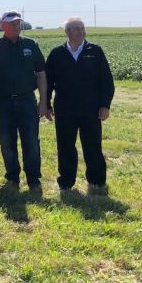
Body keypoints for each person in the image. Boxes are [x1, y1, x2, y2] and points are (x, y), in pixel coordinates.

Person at [45, 17, 115, 193]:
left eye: (82, 28)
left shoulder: (95, 51)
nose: (80, 32)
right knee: (65, 147)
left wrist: (105, 105)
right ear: (67, 32)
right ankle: (66, 182)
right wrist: (46, 104)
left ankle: (97, 181)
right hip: (64, 109)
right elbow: (48, 82)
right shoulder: (57, 53)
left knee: (93, 146)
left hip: (91, 109)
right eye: (76, 28)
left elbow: (106, 80)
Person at [0, 10, 48, 189]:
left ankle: (33, 179)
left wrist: (43, 101)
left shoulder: (31, 44)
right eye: (12, 23)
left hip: (26, 101)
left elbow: (41, 73)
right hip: (1, 102)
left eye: (18, 23)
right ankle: (12, 177)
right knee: (6, 142)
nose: (16, 26)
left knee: (31, 141)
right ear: (3, 25)